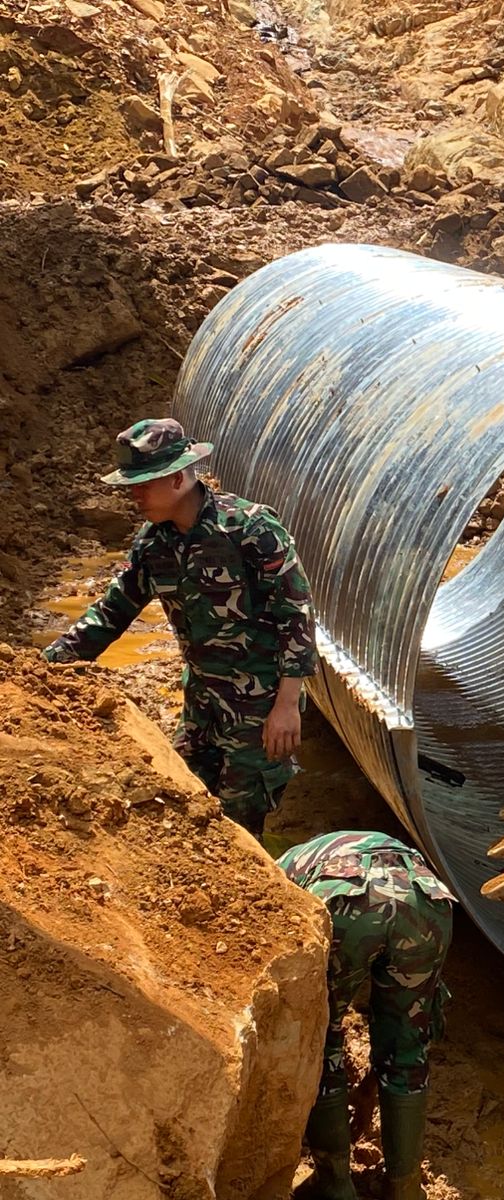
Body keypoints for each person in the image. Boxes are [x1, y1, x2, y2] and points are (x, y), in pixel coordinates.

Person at [41, 418, 315, 839]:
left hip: (258, 708)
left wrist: (287, 705)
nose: (135, 495)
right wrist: (40, 669)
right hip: (201, 704)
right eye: (131, 485)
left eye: (143, 484)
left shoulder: (250, 529)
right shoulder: (154, 544)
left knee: (241, 827)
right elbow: (112, 613)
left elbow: (296, 615)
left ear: (177, 479)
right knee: (182, 806)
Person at [278, 831, 455, 1200]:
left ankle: (334, 1185)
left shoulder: (276, 873)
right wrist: (368, 1089)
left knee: (319, 1041)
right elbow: (405, 1030)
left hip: (343, 900)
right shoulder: (333, 848)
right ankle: (405, 1188)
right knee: (407, 1046)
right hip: (424, 898)